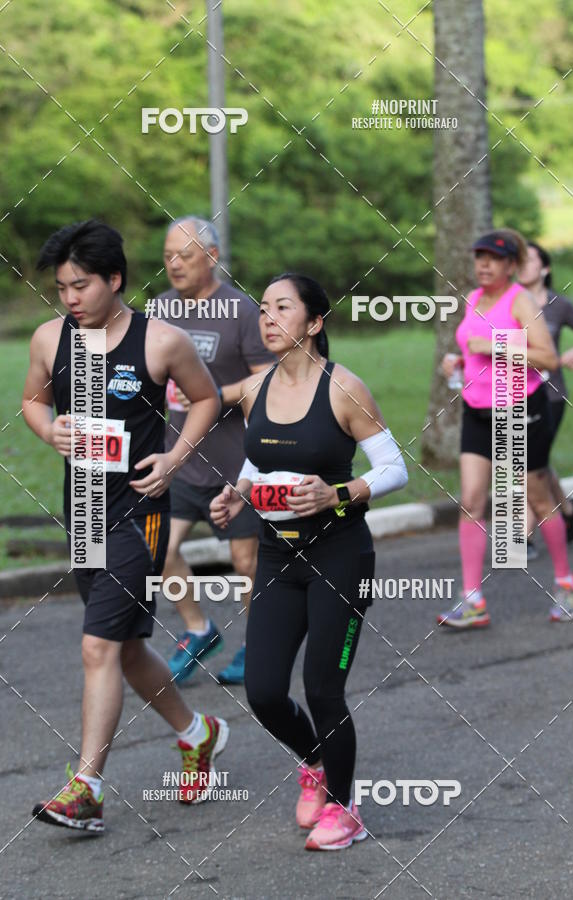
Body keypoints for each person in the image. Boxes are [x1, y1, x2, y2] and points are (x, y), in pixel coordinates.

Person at [23, 220, 228, 833]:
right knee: (129, 649)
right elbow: (33, 400)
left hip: (138, 514)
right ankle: (200, 733)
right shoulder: (50, 339)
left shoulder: (160, 342)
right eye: (61, 288)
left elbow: (208, 398)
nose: (70, 299)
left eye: (81, 285)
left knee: (97, 647)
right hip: (83, 506)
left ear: (114, 280)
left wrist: (174, 458)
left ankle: (85, 788)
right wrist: (48, 429)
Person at [209, 273, 408, 851]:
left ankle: (345, 810)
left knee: (323, 689)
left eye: (282, 308)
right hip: (276, 554)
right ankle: (316, 761)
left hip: (339, 554)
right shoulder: (255, 389)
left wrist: (335, 495)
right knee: (265, 692)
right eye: (263, 309)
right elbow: (259, 465)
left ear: (315, 322)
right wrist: (236, 493)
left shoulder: (344, 389)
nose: (267, 317)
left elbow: (394, 470)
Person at [437, 228, 573, 628]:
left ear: (511, 265)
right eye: (479, 256)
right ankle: (472, 599)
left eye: (494, 258)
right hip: (477, 410)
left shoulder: (522, 301)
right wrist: (458, 361)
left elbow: (547, 357)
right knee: (470, 500)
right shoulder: (473, 299)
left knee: (537, 498)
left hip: (519, 408)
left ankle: (566, 582)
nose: (483, 264)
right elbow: (471, 347)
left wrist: (496, 345)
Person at [157, 217, 274, 686]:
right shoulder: (161, 308)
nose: (174, 264)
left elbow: (265, 379)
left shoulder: (242, 310)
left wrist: (211, 395)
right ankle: (198, 628)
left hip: (235, 465)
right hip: (180, 458)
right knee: (157, 550)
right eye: (168, 256)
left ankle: (259, 644)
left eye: (184, 255)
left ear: (212, 256)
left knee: (247, 564)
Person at [517, 241, 573, 559]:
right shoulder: (508, 304)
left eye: (531, 259)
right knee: (536, 460)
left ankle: (522, 537)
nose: (523, 264)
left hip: (551, 394)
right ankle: (567, 508)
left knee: (527, 462)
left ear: (545, 268)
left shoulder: (558, 305)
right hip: (512, 393)